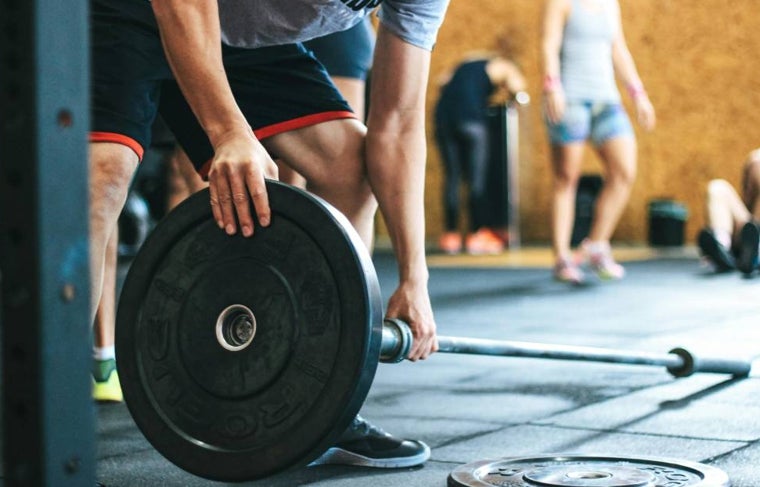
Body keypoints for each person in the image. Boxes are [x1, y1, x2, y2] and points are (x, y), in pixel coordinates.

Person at [90, 0, 448, 468]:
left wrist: (413, 276)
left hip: (236, 40)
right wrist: (228, 132)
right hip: (132, 12)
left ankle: (317, 406)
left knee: (348, 171)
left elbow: (398, 123)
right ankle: (44, 421)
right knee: (101, 179)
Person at [542, 0, 656, 284]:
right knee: (566, 178)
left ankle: (596, 245)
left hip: (606, 100)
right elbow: (548, 44)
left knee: (623, 171)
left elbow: (618, 49)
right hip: (571, 99)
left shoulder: (610, 4)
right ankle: (562, 258)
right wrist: (552, 86)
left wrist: (638, 94)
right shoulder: (561, 3)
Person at [434, 43, 527, 255]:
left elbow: (442, 82)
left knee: (453, 178)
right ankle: (478, 234)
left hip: (444, 119)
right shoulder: (503, 66)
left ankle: (451, 236)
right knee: (477, 179)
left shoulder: (467, 63)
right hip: (472, 121)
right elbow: (516, 87)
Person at [697, 148, 760, 275]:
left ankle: (755, 254)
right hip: (750, 231)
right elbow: (747, 200)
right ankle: (721, 248)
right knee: (717, 188)